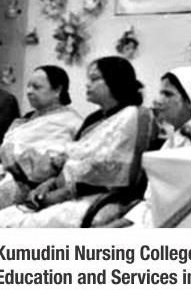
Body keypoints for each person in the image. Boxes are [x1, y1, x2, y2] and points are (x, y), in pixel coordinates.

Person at [0, 56, 145, 227]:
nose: (87, 84)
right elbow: (72, 160)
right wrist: (50, 184)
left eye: (94, 79)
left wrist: (63, 192)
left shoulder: (132, 116)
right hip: (60, 189)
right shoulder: (95, 118)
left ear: (115, 80)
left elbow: (114, 172)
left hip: (95, 198)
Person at [112, 65, 191, 228]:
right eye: (160, 93)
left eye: (167, 94)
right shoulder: (174, 139)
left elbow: (187, 213)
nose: (157, 100)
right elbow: (151, 204)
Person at [0, 65, 81, 209]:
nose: (29, 91)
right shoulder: (26, 119)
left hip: (30, 186)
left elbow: (56, 163)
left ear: (57, 90)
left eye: (36, 87)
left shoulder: (71, 123)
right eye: (28, 86)